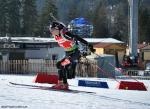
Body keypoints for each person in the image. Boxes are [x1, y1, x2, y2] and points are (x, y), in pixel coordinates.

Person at [49, 21, 95, 90]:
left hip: (74, 53)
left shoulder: (65, 34)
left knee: (62, 65)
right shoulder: (56, 36)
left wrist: (88, 44)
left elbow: (76, 37)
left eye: (52, 29)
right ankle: (61, 83)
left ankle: (64, 84)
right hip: (68, 53)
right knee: (59, 65)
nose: (51, 31)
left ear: (57, 28)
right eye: (50, 30)